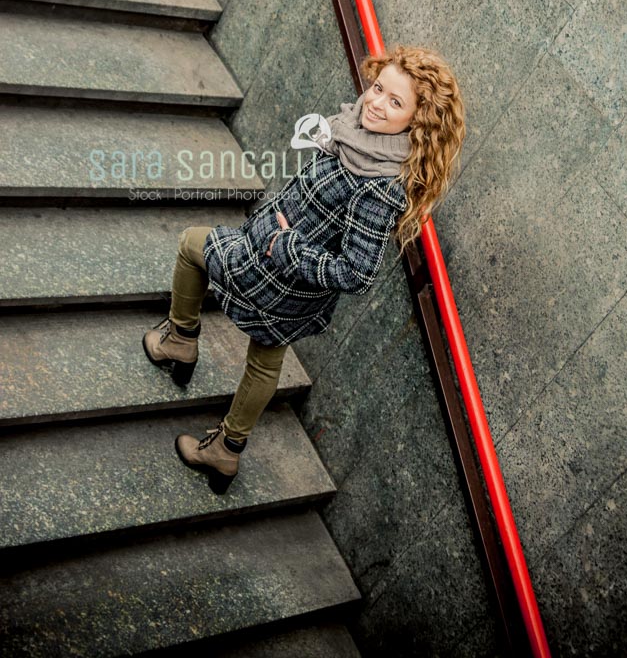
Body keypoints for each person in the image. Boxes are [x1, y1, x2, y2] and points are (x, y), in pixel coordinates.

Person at [142, 44, 465, 493]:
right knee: (266, 356)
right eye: (378, 88)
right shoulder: (357, 137)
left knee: (191, 245)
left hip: (275, 270)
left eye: (396, 102)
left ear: (418, 121)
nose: (375, 103)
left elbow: (358, 273)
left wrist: (285, 245)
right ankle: (225, 452)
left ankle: (179, 340)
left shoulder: (381, 186)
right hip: (288, 283)